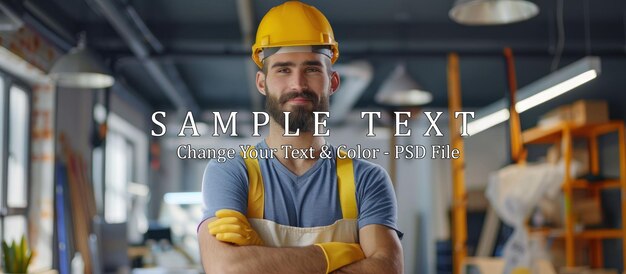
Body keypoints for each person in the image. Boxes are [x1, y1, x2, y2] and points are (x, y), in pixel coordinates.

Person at [197, 1, 403, 273]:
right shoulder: (231, 172)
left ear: (333, 82)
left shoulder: (367, 180)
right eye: (283, 69)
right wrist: (339, 253)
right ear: (262, 83)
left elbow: (386, 269)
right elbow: (228, 269)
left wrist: (265, 260)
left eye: (312, 69)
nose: (298, 84)